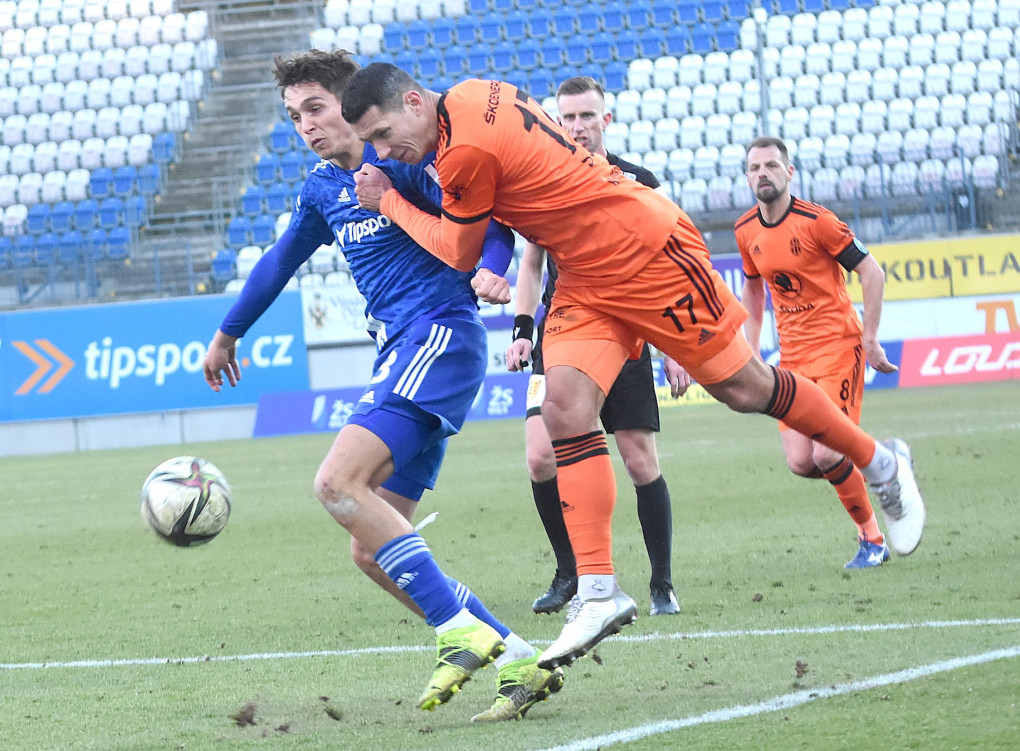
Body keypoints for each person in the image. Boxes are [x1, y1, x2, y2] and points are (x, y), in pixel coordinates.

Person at [340, 65, 926, 672]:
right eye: (372, 143)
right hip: (584, 272)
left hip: (646, 252)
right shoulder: (471, 94)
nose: (383, 151)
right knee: (564, 409)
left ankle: (882, 464)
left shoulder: (462, 152)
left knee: (747, 389)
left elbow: (460, 252)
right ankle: (598, 591)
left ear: (414, 101)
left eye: (383, 134)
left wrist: (389, 202)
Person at [202, 50, 563, 722]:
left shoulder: (400, 159)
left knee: (336, 484)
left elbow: (490, 223)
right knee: (371, 549)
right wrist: (229, 332)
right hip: (403, 354)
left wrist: (491, 266)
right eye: (295, 116)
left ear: (352, 105)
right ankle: (517, 659)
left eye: (316, 108)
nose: (307, 126)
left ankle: (456, 631)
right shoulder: (322, 189)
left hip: (438, 337)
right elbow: (280, 260)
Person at [505, 76, 688, 617]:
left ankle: (661, 584)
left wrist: (675, 347)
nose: (577, 126)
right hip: (559, 337)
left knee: (638, 459)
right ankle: (569, 572)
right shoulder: (541, 183)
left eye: (587, 116)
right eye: (568, 118)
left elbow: (667, 266)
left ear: (605, 120)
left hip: (624, 334)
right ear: (556, 122)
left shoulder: (638, 183)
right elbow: (531, 265)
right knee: (539, 456)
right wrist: (522, 329)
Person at [737, 136, 903, 569]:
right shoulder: (745, 230)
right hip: (792, 359)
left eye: (771, 166)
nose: (763, 174)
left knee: (827, 453)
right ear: (747, 177)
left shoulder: (818, 222)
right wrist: (751, 348)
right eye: (754, 168)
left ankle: (872, 540)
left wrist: (870, 338)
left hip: (837, 347)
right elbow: (753, 289)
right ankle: (882, 458)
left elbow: (872, 272)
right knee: (801, 462)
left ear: (789, 172)